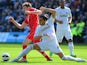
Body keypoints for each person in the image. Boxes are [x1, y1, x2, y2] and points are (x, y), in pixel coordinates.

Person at [10, 6, 85, 62]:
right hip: (44, 43)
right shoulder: (38, 27)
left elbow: (55, 12)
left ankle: (78, 60)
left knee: (63, 58)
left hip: (53, 43)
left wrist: (45, 9)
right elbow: (35, 38)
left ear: (45, 20)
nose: (39, 21)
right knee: (30, 47)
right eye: (39, 20)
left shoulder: (50, 22)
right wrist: (43, 35)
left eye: (41, 20)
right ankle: (16, 59)